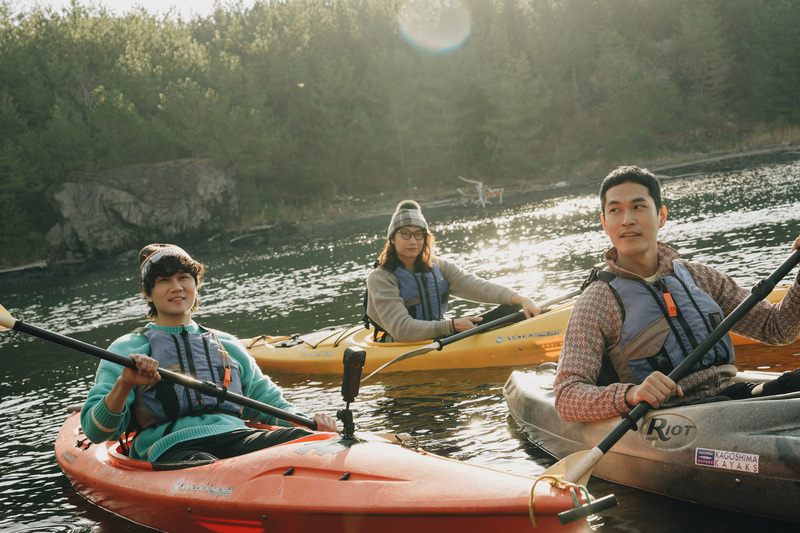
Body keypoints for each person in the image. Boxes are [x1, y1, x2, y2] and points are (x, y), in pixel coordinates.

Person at [554, 166, 800, 422]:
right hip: (675, 418)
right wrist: (631, 394)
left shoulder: (700, 276)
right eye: (615, 210)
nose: (627, 219)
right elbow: (566, 397)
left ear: (661, 216)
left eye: (638, 206)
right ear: (605, 223)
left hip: (732, 397)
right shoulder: (597, 302)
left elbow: (778, 329)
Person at [80, 243, 337, 463]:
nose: (176, 287)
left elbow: (270, 404)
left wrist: (310, 423)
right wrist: (125, 383)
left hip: (235, 437)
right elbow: (97, 432)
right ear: (148, 293)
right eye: (164, 281)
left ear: (196, 284)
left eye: (183, 278)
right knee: (204, 465)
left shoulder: (228, 344)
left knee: (309, 441)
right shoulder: (128, 349)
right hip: (171, 447)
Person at [364, 200, 541, 342]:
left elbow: (477, 286)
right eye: (405, 234)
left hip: (441, 335)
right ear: (392, 239)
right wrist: (451, 326)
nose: (413, 241)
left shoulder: (438, 266)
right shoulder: (380, 278)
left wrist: (521, 298)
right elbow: (402, 329)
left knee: (513, 308)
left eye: (419, 234)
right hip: (401, 344)